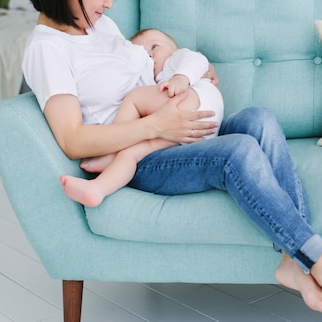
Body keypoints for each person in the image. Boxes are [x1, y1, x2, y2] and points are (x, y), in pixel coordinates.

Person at [22, 0, 322, 317]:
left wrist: (184, 77)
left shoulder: (98, 26)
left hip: (169, 127)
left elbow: (143, 71)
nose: (109, 3)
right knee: (236, 150)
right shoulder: (48, 49)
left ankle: (294, 261)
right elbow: (72, 139)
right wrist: (155, 126)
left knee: (258, 119)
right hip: (138, 157)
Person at [60, 28, 224, 207]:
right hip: (193, 136)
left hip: (195, 99)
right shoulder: (154, 81)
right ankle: (98, 189)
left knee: (134, 98)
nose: (149, 55)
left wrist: (181, 78)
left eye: (154, 46)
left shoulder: (175, 61)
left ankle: (112, 150)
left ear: (174, 49)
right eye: (143, 52)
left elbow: (197, 59)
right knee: (130, 154)